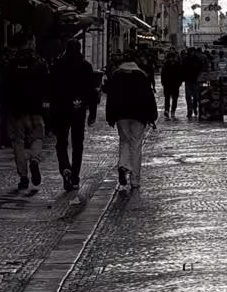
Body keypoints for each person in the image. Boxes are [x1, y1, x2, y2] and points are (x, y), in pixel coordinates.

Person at [0, 33, 49, 194]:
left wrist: (5, 107)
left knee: (17, 142)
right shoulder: (39, 63)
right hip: (35, 109)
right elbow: (46, 85)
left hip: (16, 111)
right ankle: (34, 158)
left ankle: (23, 177)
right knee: (38, 137)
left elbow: (4, 87)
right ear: (29, 42)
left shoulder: (10, 63)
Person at [48, 38, 101, 192]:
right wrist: (92, 113)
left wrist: (50, 114)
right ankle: (75, 177)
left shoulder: (58, 66)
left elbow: (52, 90)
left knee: (61, 143)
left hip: (61, 109)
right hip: (78, 109)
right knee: (78, 145)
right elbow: (92, 91)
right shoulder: (85, 66)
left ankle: (65, 167)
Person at [106, 48, 158, 195]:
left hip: (121, 115)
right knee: (136, 145)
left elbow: (111, 97)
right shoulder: (141, 76)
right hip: (139, 116)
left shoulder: (116, 75)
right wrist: (152, 116)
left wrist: (110, 116)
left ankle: (123, 165)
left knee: (124, 141)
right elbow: (148, 97)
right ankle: (135, 180)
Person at [181, 46, 204, 119]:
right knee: (188, 97)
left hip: (195, 80)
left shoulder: (198, 59)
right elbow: (182, 70)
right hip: (188, 80)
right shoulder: (185, 59)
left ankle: (194, 108)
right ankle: (190, 110)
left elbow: (201, 68)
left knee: (196, 96)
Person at [160, 49, 183, 120]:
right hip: (172, 84)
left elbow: (162, 74)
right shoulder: (176, 65)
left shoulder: (168, 65)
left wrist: (179, 82)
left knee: (170, 99)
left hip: (170, 84)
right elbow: (180, 74)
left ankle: (169, 111)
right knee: (172, 99)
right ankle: (170, 112)